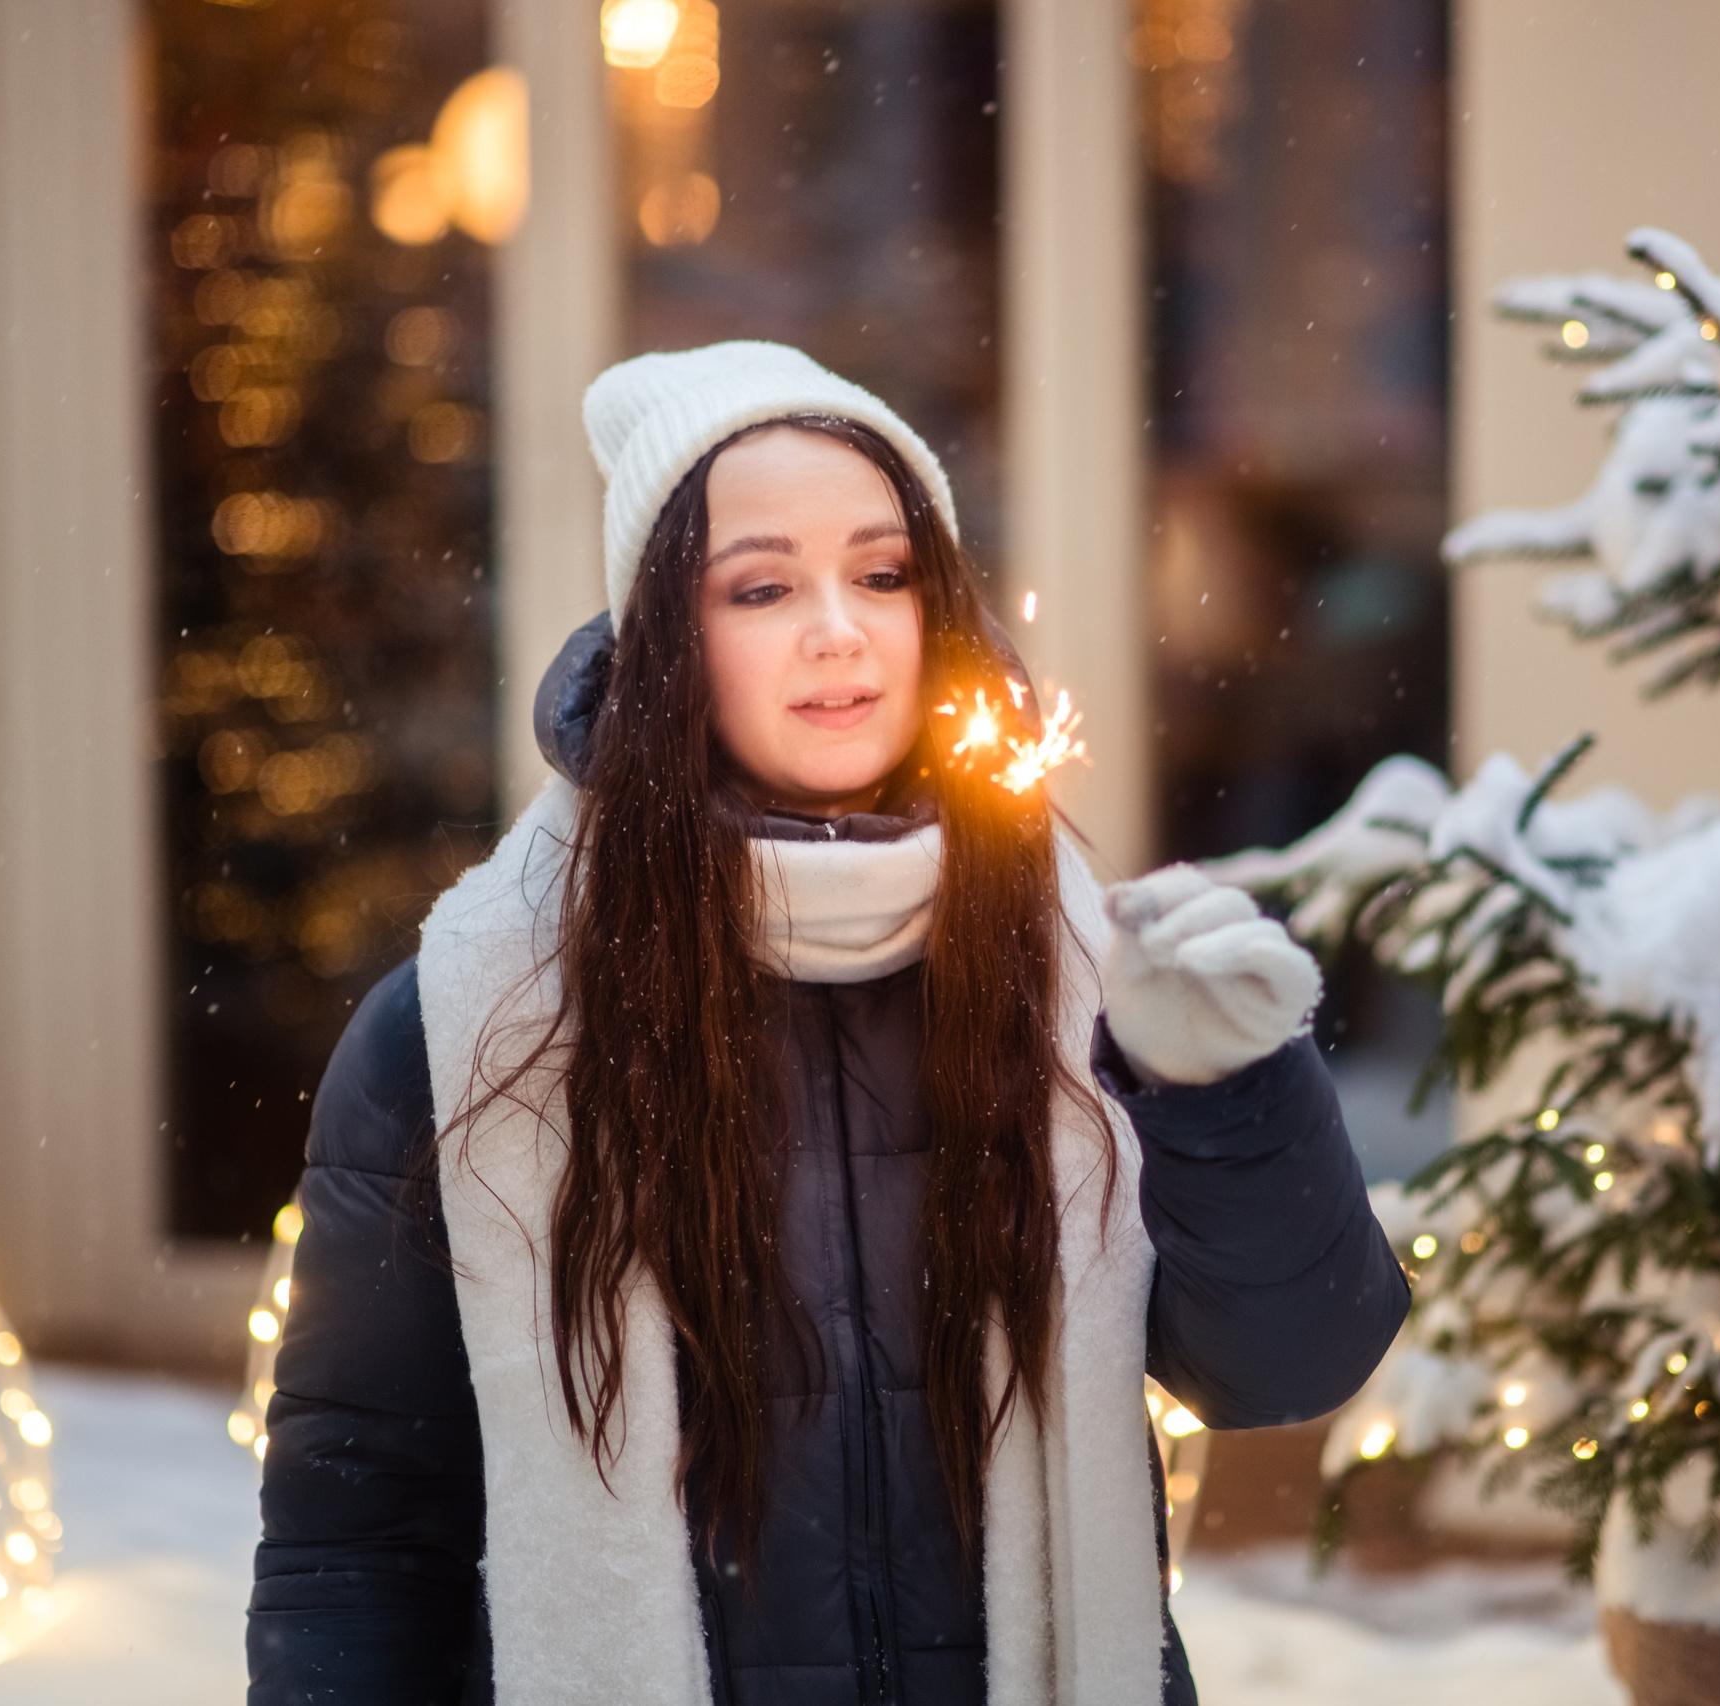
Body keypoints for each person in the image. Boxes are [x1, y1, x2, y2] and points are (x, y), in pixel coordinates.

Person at [246, 341, 1409, 1706]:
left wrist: (1222, 1090)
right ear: (668, 641)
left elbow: (1291, 1365)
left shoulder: (1084, 967)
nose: (839, 631)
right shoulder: (474, 1019)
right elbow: (364, 1533)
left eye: (881, 572)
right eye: (761, 586)